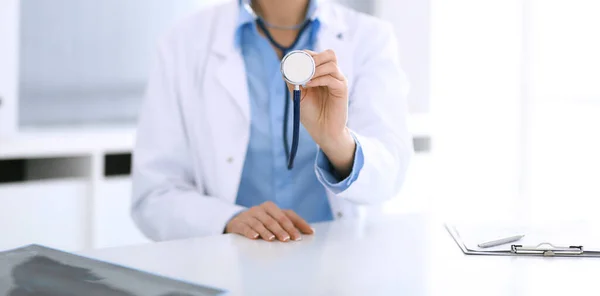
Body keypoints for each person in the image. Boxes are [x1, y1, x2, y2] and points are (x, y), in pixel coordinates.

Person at [131, 0, 412, 243]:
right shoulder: (183, 41)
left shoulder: (369, 38)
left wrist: (336, 140)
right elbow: (155, 195)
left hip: (338, 265)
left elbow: (389, 173)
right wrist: (227, 220)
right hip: (230, 261)